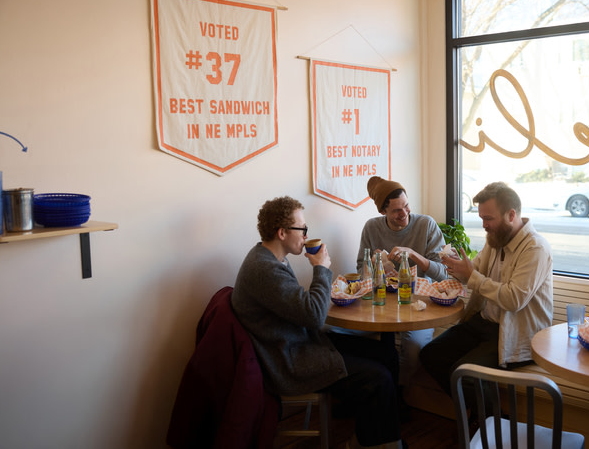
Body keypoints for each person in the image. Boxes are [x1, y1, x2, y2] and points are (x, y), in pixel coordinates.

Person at [231, 196, 403, 449]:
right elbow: (314, 316)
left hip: (299, 343)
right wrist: (321, 268)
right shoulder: (264, 269)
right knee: (378, 377)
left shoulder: (269, 258)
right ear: (281, 233)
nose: (306, 235)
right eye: (302, 229)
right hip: (289, 360)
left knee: (386, 353)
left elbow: (302, 309)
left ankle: (380, 433)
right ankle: (372, 442)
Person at [419, 182, 553, 396]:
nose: (484, 225)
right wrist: (457, 267)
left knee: (464, 374)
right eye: (482, 218)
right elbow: (473, 274)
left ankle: (489, 415)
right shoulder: (495, 240)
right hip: (484, 324)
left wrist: (471, 275)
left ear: (511, 215)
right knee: (430, 354)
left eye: (488, 218)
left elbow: (513, 300)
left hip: (517, 335)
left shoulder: (535, 248)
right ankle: (478, 409)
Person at [356, 176, 448, 396]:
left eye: (406, 206)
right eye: (397, 210)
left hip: (419, 304)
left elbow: (443, 273)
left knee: (414, 347)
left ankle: (398, 393)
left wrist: (414, 255)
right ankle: (375, 390)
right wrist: (375, 264)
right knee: (331, 329)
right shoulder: (372, 227)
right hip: (381, 305)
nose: (404, 213)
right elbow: (360, 269)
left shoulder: (426, 225)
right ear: (383, 211)